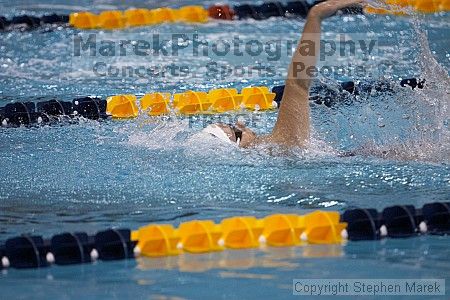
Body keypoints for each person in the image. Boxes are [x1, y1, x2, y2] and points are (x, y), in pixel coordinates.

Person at [202, 0, 365, 149]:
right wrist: (316, 15)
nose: (240, 123)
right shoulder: (283, 142)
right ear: (238, 147)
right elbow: (298, 82)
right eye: (236, 131)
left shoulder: (277, 150)